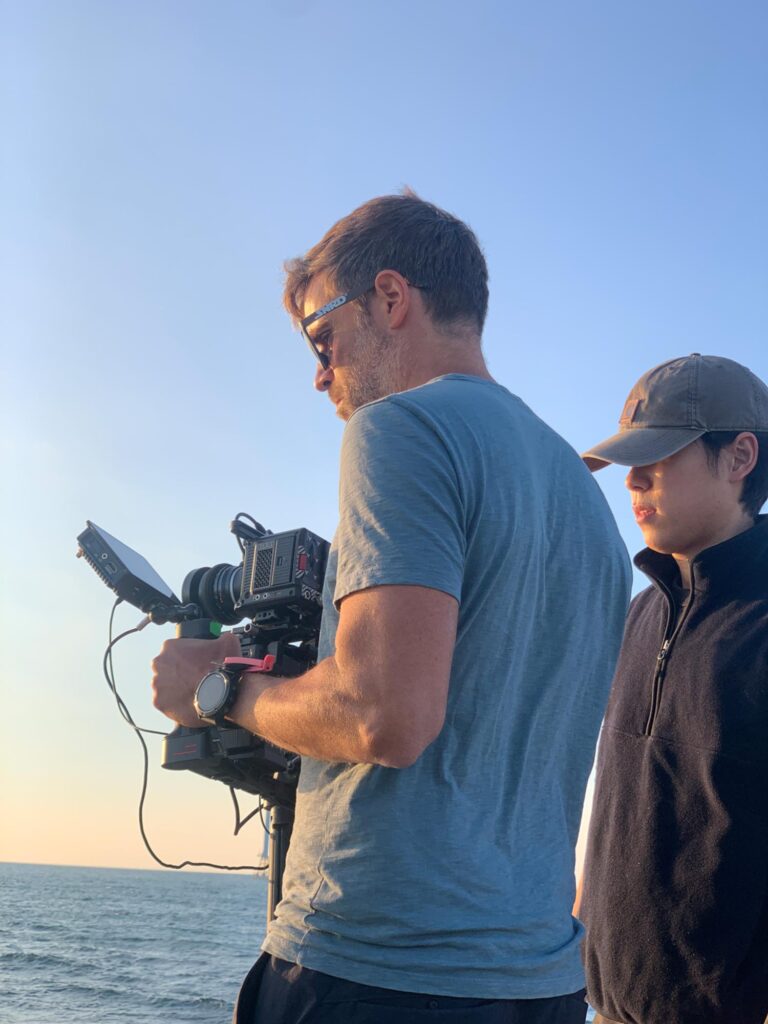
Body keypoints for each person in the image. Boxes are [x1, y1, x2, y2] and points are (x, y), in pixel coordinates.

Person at [151, 193, 630, 1023]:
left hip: (377, 970)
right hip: (541, 982)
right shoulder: (587, 502)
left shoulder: (400, 428)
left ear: (390, 297)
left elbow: (385, 715)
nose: (320, 372)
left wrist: (219, 688)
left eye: (322, 337)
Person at [578, 353, 768, 1024]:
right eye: (630, 461)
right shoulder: (638, 614)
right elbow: (619, 804)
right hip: (602, 1007)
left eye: (658, 456)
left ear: (740, 456)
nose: (633, 478)